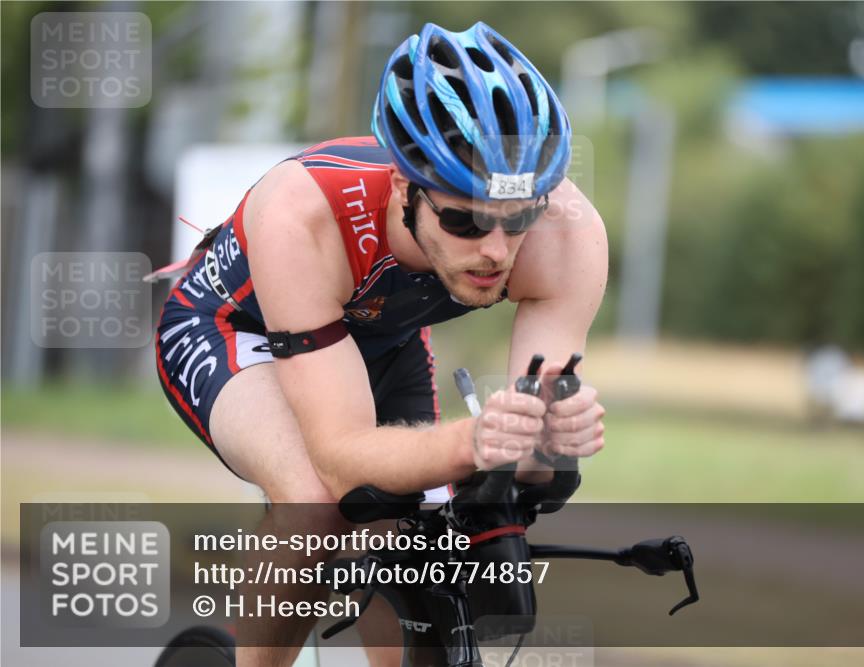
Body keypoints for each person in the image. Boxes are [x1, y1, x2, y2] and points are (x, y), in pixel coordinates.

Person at [154, 21, 608, 667]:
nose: (496, 250)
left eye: (520, 218)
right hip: (233, 325)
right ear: (403, 188)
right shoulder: (302, 212)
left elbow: (527, 467)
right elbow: (343, 461)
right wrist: (471, 442)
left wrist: (550, 441)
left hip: (379, 331)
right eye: (464, 219)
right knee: (317, 503)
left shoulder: (568, 237)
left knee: (426, 540)